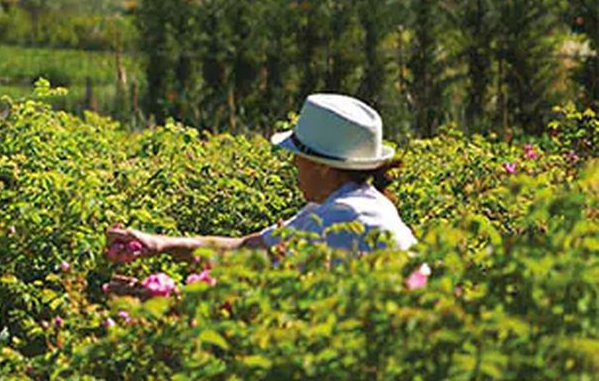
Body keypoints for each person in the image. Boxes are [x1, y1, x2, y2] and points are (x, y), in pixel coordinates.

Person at [104, 93, 415, 290]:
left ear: (322, 167)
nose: (293, 163)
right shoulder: (349, 203)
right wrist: (158, 243)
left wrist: (162, 301)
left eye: (298, 156)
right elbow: (248, 248)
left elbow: (270, 295)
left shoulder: (343, 217)